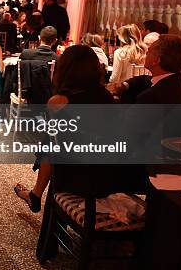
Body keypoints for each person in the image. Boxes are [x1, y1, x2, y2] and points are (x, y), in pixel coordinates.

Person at [14, 45, 115, 212]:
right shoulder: (107, 97)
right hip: (107, 175)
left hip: (74, 177)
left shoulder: (58, 102)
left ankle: (36, 194)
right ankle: (35, 194)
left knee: (51, 143)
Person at [109, 34, 181, 104]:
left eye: (149, 51)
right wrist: (125, 85)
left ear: (156, 60)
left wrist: (114, 95)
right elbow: (145, 79)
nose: (146, 53)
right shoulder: (175, 81)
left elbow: (123, 120)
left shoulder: (150, 97)